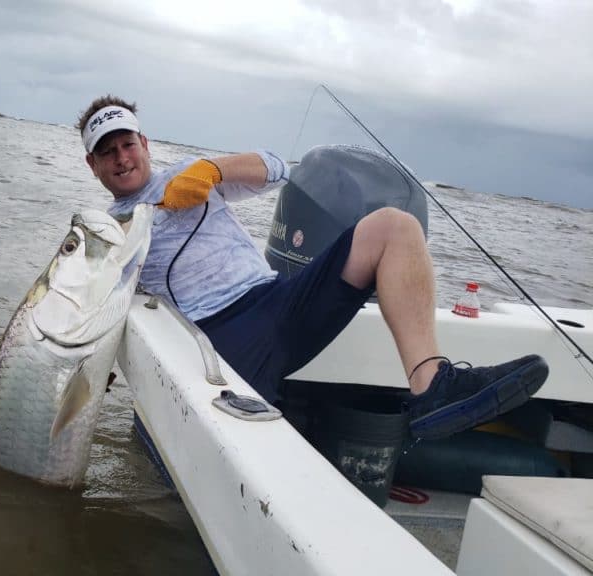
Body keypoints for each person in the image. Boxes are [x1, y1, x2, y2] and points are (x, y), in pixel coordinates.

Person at [76, 95, 549, 440]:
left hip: (280, 300)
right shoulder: (106, 228)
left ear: (143, 142)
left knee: (394, 226)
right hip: (217, 339)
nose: (121, 158)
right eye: (107, 151)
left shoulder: (191, 172)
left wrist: (213, 171)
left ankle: (432, 388)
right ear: (92, 164)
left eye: (126, 144)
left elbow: (277, 168)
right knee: (256, 442)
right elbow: (97, 304)